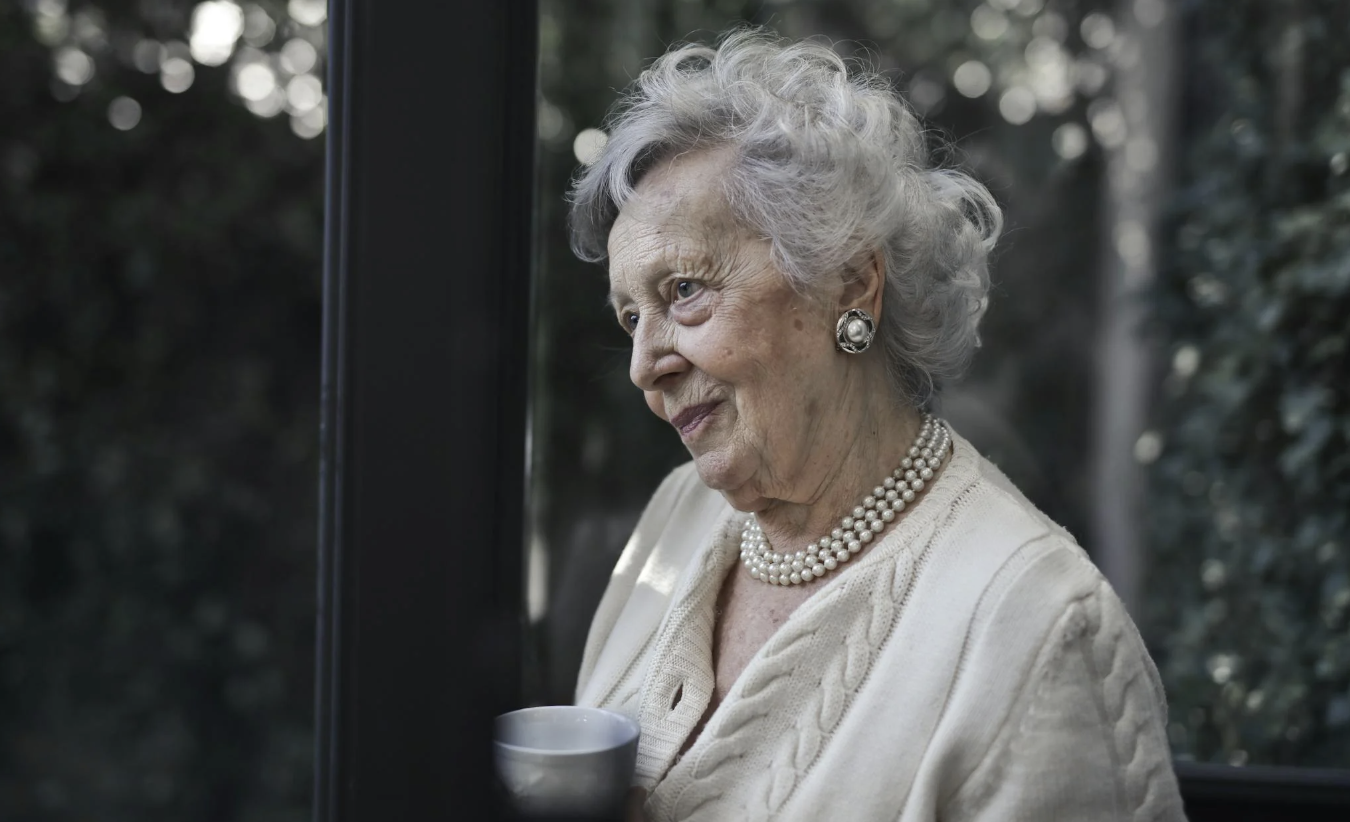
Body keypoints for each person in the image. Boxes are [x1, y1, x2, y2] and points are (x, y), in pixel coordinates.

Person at [568, 29, 1185, 822]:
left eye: (684, 290)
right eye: (630, 317)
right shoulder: (676, 518)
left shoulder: (1037, 629)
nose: (644, 363)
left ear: (851, 286)